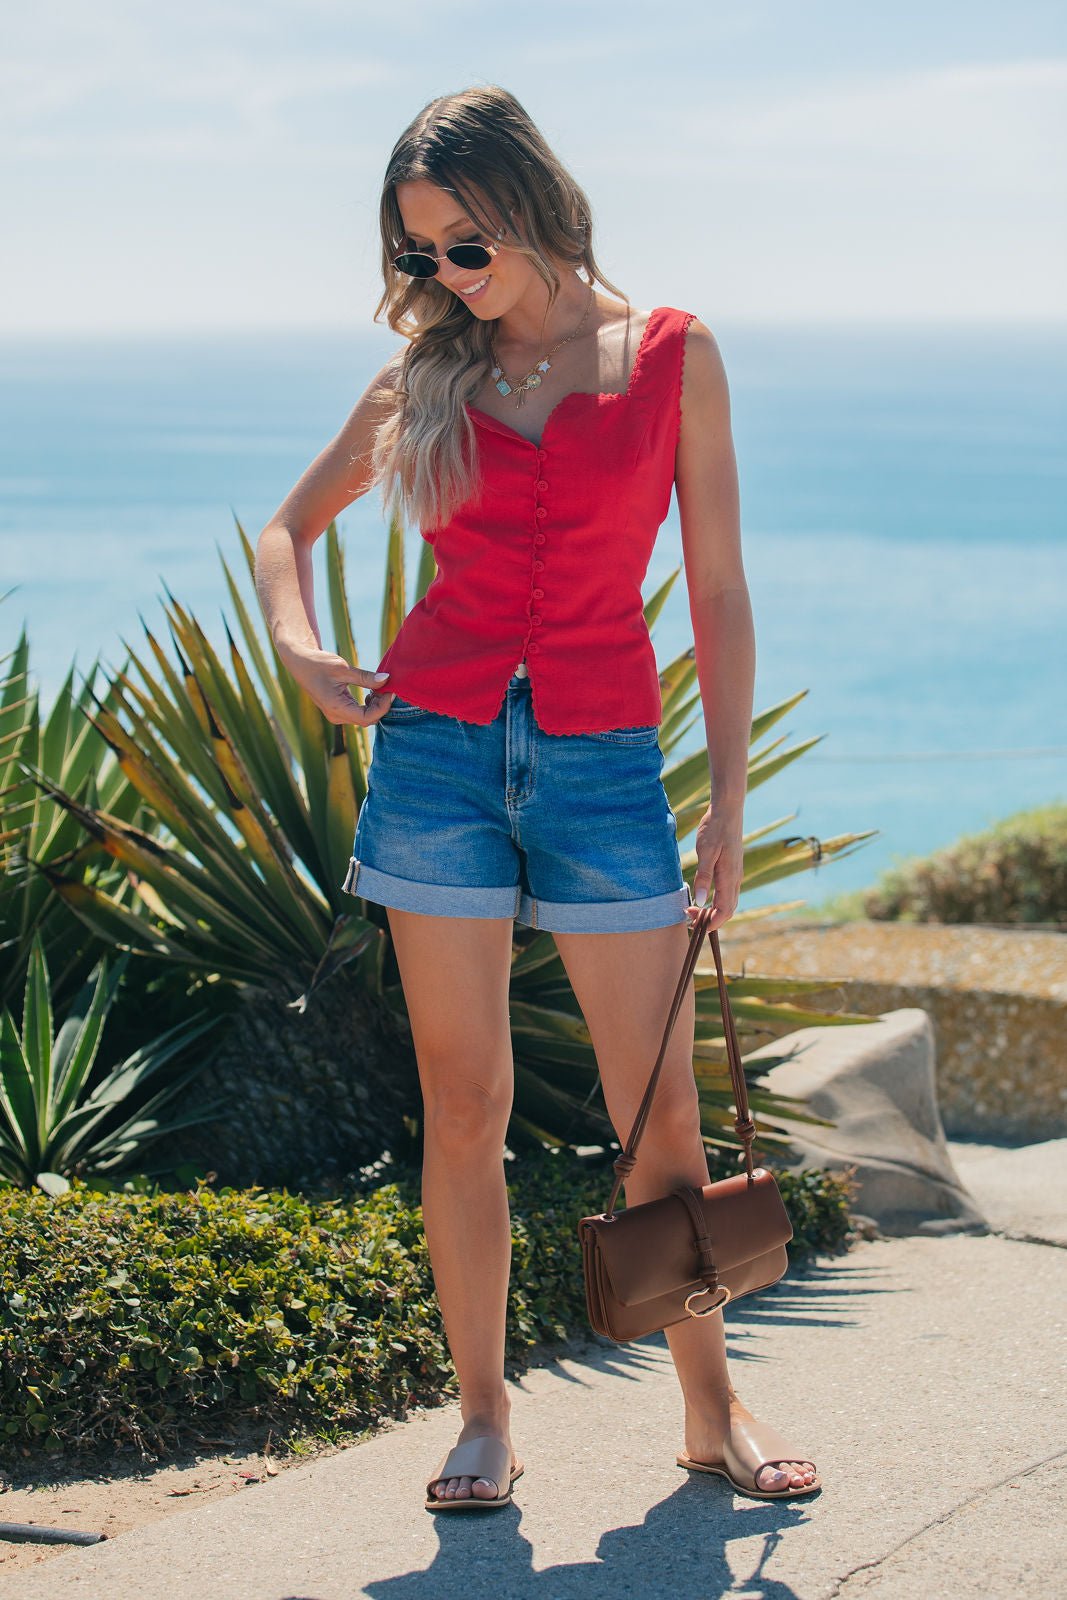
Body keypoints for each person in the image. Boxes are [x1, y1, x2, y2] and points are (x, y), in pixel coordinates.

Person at [254, 84, 819, 1513]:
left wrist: (732, 809)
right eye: (418, 255)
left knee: (660, 1118)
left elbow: (721, 589)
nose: (444, 276)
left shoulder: (672, 358)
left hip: (604, 764)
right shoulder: (427, 379)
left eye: (463, 242)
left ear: (532, 202)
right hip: (434, 756)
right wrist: (300, 644)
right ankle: (488, 1420)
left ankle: (712, 1414)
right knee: (465, 1101)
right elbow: (286, 529)